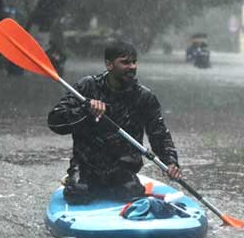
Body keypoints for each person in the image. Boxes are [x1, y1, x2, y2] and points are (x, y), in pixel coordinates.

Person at [47, 40, 182, 204]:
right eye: (125, 62)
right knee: (78, 193)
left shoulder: (144, 97)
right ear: (109, 65)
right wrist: (85, 109)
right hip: (87, 167)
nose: (132, 67)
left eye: (134, 62)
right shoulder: (86, 87)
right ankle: (73, 179)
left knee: (131, 194)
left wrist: (171, 162)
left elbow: (159, 134)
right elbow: (55, 122)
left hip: (123, 169)